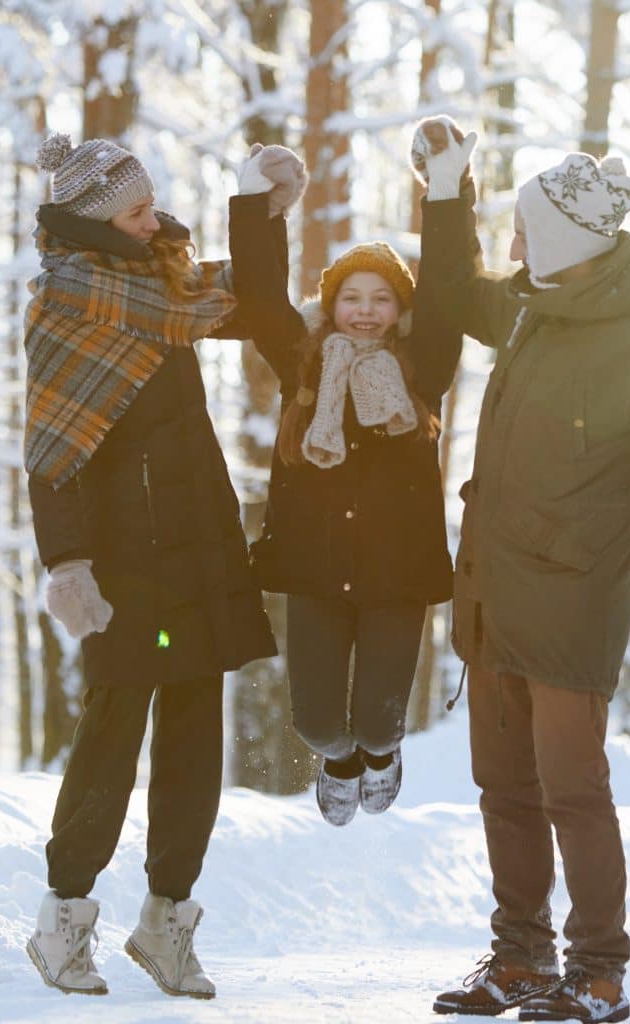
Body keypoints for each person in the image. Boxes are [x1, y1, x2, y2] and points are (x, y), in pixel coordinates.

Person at [412, 118, 630, 1023]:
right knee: (502, 790)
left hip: (576, 601)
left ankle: (597, 971)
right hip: (493, 590)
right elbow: (449, 288)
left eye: (520, 230)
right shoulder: (532, 306)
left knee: (572, 792)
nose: (510, 245)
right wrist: (446, 191)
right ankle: (520, 960)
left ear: (560, 239)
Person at [21, 132, 303, 1000]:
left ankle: (167, 921)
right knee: (112, 736)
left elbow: (255, 299)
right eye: (138, 212)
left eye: (151, 208)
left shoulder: (160, 288)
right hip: (125, 563)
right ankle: (63, 920)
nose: (154, 222)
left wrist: (257, 208)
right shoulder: (69, 306)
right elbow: (52, 451)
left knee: (194, 740)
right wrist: (68, 563)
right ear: (98, 221)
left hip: (198, 539)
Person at [228, 145, 460, 826]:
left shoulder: (422, 367)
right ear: (332, 305)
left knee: (383, 722)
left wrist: (444, 194)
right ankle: (340, 760)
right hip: (315, 565)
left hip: (398, 571)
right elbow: (261, 293)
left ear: (399, 308)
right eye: (351, 298)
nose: (364, 311)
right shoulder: (302, 358)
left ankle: (382, 756)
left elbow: (447, 289)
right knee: (320, 721)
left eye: (380, 299)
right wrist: (256, 205)